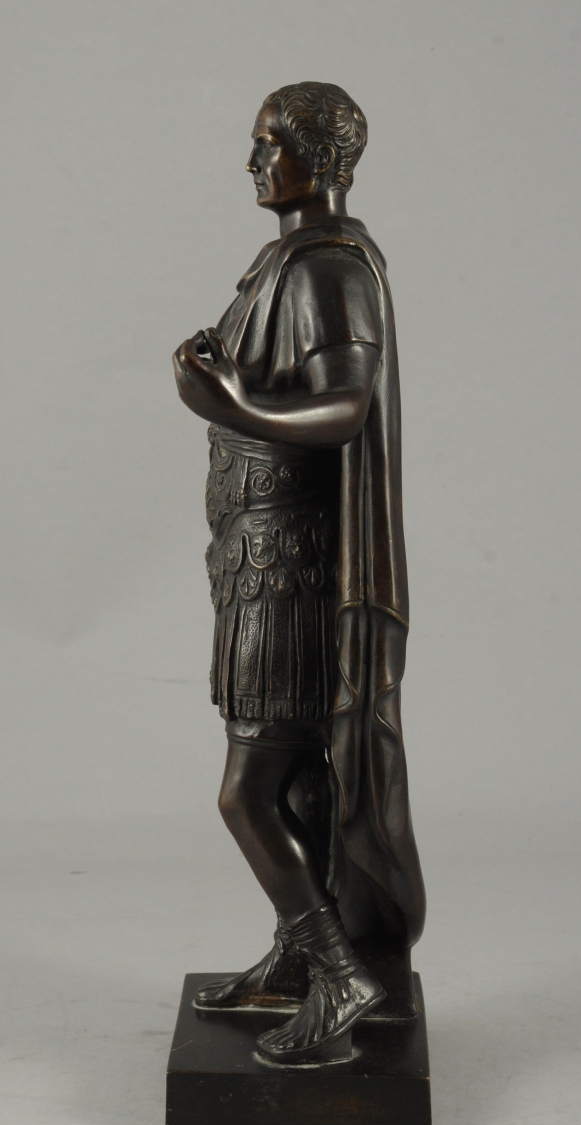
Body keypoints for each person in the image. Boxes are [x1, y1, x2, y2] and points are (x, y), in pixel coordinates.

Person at [173, 82, 425, 1064]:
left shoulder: (327, 266)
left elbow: (344, 408)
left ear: (318, 158)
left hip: (291, 568)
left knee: (248, 790)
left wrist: (227, 401)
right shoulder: (285, 263)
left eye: (268, 143)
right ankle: (297, 956)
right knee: (301, 781)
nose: (252, 160)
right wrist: (225, 378)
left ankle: (338, 972)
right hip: (260, 558)